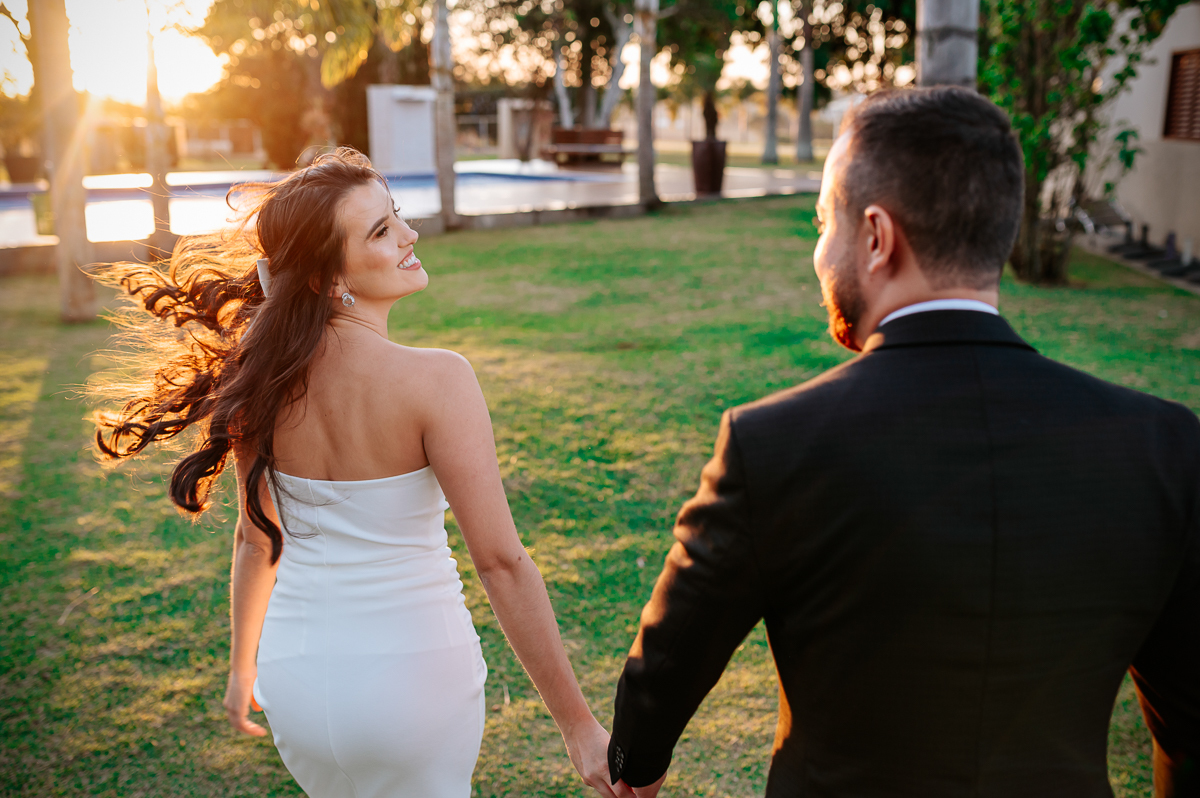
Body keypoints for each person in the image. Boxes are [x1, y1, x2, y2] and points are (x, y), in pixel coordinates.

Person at [606, 87, 1200, 797]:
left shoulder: (773, 443)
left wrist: (634, 769)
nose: (819, 251)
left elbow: (667, 667)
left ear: (877, 237)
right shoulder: (1163, 445)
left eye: (824, 223)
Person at [90, 149, 631, 798]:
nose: (410, 235)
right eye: (379, 231)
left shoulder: (258, 376)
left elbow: (255, 541)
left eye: (395, 216)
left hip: (294, 680)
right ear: (326, 277)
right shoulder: (437, 380)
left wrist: (243, 671)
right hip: (412, 685)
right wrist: (578, 727)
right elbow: (501, 563)